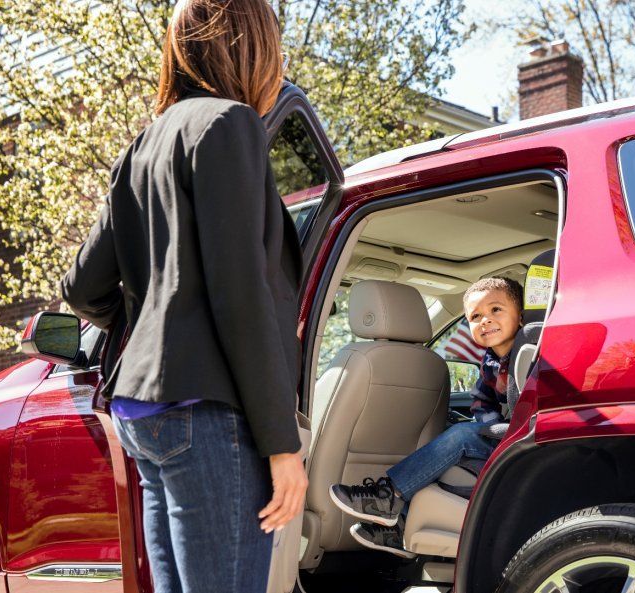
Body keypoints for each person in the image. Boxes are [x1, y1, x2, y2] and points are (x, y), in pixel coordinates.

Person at [60, 1, 307, 591]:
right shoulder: (230, 123)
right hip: (209, 414)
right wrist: (283, 446)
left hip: (142, 415)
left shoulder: (142, 145)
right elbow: (240, 296)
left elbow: (82, 286)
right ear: (250, 45)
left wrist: (153, 318)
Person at [329, 277, 523, 557]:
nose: (485, 321)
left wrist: (491, 432)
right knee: (442, 445)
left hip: (523, 444)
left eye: (496, 310)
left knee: (461, 435)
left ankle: (388, 495)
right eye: (475, 316)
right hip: (504, 441)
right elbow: (481, 402)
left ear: (520, 316)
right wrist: (489, 427)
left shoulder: (530, 352)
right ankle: (399, 529)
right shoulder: (490, 360)